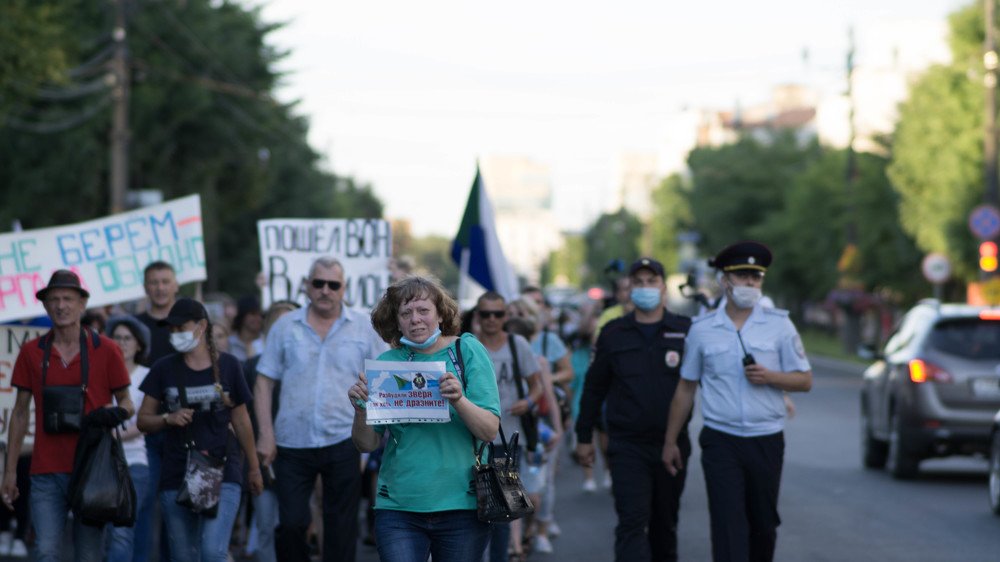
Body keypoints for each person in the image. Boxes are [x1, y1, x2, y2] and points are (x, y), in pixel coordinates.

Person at [663, 242, 813, 562]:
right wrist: (671, 440)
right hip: (721, 440)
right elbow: (686, 388)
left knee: (763, 524)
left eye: (756, 278)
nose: (750, 284)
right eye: (742, 276)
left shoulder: (780, 325)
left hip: (766, 438)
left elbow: (804, 380)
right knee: (727, 524)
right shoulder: (702, 330)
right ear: (724, 281)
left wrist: (771, 377)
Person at [349, 275, 500, 562]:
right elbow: (366, 445)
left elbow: (489, 430)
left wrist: (459, 399)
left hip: (462, 506)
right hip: (398, 507)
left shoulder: (465, 350)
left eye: (423, 310)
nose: (415, 319)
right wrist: (360, 412)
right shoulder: (385, 366)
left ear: (440, 314)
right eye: (406, 313)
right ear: (397, 321)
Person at [254, 257, 388, 562]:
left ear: (344, 289)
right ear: (306, 285)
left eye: (333, 284)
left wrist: (370, 441)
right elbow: (263, 382)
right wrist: (266, 434)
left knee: (341, 527)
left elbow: (384, 382)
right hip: (291, 441)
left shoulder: (364, 327)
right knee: (291, 525)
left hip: (344, 440)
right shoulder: (285, 326)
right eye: (318, 283)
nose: (325, 290)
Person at [2, 270, 135, 562]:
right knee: (46, 551)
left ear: (82, 304)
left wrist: (115, 413)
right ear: (46, 306)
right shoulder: (31, 352)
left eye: (68, 299)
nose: (61, 305)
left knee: (88, 554)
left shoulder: (107, 349)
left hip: (93, 468)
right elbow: (20, 412)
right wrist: (10, 471)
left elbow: (127, 400)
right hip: (45, 469)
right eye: (54, 300)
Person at [575, 257, 692, 562]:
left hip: (673, 444)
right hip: (627, 445)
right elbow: (594, 387)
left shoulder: (684, 330)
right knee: (631, 522)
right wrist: (584, 436)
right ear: (628, 290)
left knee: (664, 525)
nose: (645, 288)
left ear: (663, 288)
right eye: (638, 283)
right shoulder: (613, 333)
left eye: (651, 282)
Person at [136, 297, 263, 561]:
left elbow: (241, 421)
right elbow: (143, 420)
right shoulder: (164, 368)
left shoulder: (229, 366)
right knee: (184, 556)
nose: (175, 334)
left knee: (212, 552)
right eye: (170, 329)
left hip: (222, 470)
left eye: (181, 327)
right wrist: (167, 419)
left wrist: (253, 467)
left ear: (202, 326)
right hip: (176, 473)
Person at [474, 291, 542, 562]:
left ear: (506, 316)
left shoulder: (518, 345)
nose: (492, 319)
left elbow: (537, 386)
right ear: (477, 316)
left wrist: (527, 401)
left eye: (498, 314)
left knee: (504, 508)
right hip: (475, 439)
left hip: (508, 439)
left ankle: (501, 556)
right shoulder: (468, 346)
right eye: (486, 314)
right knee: (474, 508)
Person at [242, 300, 300, 562]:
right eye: (278, 322)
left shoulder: (308, 366)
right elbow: (240, 414)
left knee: (294, 526)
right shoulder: (251, 367)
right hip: (263, 459)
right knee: (264, 525)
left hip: (299, 460)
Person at [134, 260, 179, 562]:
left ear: (176, 285)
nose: (160, 288)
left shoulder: (188, 325)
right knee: (143, 504)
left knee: (175, 506)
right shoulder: (134, 328)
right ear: (145, 287)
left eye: (165, 281)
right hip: (142, 429)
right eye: (154, 282)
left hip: (181, 428)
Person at [105, 315, 154, 562]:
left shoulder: (147, 375)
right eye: (117, 337)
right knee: (102, 534)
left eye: (128, 338)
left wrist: (111, 435)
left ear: (139, 345)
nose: (122, 343)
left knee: (122, 533)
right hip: (101, 463)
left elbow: (144, 423)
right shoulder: (101, 373)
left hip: (135, 462)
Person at [229, 296, 264, 362]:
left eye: (260, 315)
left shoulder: (267, 342)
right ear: (242, 316)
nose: (258, 318)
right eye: (253, 314)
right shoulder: (230, 343)